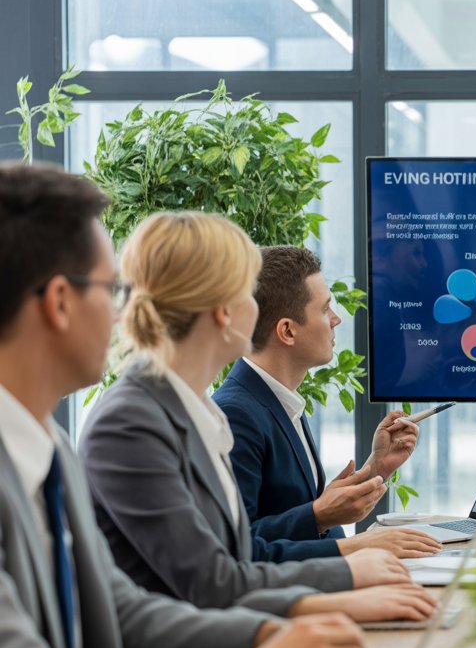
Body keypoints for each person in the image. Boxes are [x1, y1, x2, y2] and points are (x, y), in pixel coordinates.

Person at [0, 162, 372, 648]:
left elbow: (120, 608)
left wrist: (271, 632)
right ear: (62, 302)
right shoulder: (117, 423)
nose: (124, 313)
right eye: (111, 290)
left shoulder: (49, 450)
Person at [78, 211, 436, 624]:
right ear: (223, 311)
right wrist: (348, 571)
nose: (258, 306)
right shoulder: (132, 423)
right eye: (248, 293)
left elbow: (239, 555)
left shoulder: (196, 410)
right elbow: (216, 580)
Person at [212, 245, 441, 563]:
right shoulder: (235, 414)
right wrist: (343, 534)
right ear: (288, 331)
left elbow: (298, 513)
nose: (336, 319)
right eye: (324, 309)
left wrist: (375, 469)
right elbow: (238, 549)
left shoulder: (279, 399)